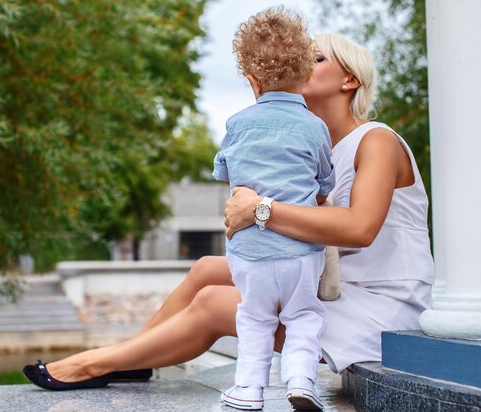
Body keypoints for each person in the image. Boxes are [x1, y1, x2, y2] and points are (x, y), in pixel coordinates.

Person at [22, 33, 434, 405]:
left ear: (350, 80)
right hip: (336, 287)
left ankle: (93, 364)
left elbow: (359, 229)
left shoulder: (376, 140)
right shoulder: (312, 143)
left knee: (215, 303)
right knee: (205, 269)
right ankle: (133, 358)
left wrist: (260, 209)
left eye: (317, 58)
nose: (303, 65)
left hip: (382, 308)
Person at [212, 8, 334, 411]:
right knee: (303, 316)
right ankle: (301, 381)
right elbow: (325, 182)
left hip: (250, 251)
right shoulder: (315, 126)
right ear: (306, 74)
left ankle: (249, 388)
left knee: (255, 318)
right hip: (301, 252)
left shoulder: (238, 123)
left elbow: (222, 171)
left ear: (251, 80)